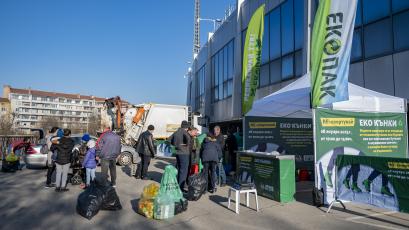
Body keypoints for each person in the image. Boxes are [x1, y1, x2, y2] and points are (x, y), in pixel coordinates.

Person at [170, 120, 191, 192]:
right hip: (184, 153)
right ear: (186, 127)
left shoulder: (176, 132)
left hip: (177, 153)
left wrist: (176, 145)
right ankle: (180, 188)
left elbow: (169, 140)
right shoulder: (185, 133)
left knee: (179, 169)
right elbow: (189, 140)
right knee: (184, 171)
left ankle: (178, 185)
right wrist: (185, 145)